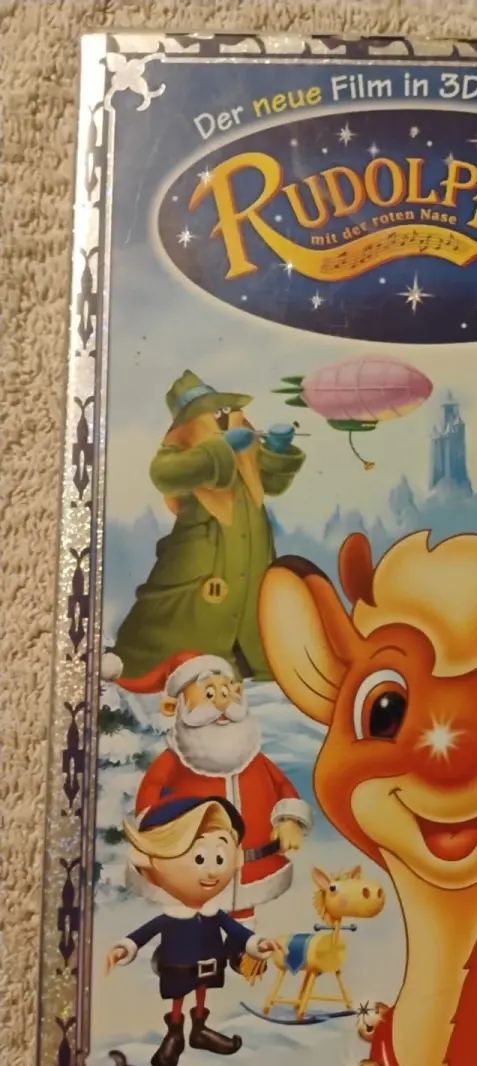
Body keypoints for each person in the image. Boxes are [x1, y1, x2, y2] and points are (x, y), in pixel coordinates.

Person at [109, 369, 305, 681]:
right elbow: (164, 473)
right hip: (203, 556)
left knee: (251, 608)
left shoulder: (246, 442)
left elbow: (270, 483)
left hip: (252, 552)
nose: (220, 416)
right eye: (210, 411)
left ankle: (246, 659)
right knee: (197, 618)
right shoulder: (181, 446)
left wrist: (276, 451)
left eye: (223, 409)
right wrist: (220, 450)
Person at [101, 649, 313, 925]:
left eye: (226, 691)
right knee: (192, 918)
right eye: (209, 693)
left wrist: (290, 820)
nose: (222, 702)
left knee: (243, 918)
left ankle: (242, 940)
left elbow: (282, 786)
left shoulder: (253, 757)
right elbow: (149, 797)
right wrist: (159, 837)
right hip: (192, 868)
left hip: (253, 867)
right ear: (174, 708)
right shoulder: (175, 760)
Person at [106, 795, 276, 1066]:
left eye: (220, 857)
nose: (211, 870)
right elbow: (145, 933)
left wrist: (256, 943)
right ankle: (175, 1034)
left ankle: (199, 1031)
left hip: (209, 963)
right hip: (178, 965)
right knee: (179, 995)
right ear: (150, 864)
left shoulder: (213, 913)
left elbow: (237, 931)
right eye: (198, 858)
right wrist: (126, 947)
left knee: (202, 990)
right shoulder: (172, 917)